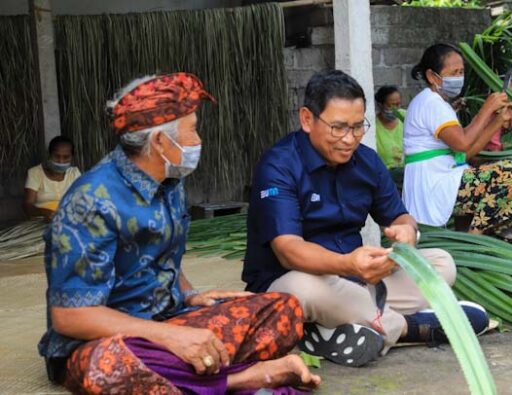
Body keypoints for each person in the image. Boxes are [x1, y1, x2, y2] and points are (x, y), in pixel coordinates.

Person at [39, 73, 320, 395]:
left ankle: (190, 376)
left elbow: (162, 250)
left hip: (170, 318)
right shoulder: (91, 201)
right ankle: (242, 379)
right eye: (192, 130)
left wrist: (190, 295)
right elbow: (70, 317)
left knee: (282, 309)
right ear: (160, 141)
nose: (198, 140)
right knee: (109, 367)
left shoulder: (170, 182)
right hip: (102, 342)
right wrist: (169, 337)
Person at [243, 70, 489, 368]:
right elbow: (288, 250)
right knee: (303, 290)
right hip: (292, 285)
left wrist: (406, 235)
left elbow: (400, 216)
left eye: (358, 127)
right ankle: (412, 327)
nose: (349, 139)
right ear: (307, 119)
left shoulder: (367, 161)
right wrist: (347, 263)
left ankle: (340, 327)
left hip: (358, 282)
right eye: (338, 128)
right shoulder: (279, 165)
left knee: (441, 263)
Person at [402, 43, 512, 243]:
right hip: (433, 182)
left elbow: (465, 153)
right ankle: (472, 245)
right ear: (433, 77)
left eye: (461, 72)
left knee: (484, 174)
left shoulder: (437, 103)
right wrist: (487, 109)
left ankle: (469, 242)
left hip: (441, 177)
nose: (459, 77)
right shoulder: (431, 103)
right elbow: (462, 144)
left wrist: (498, 120)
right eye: (454, 72)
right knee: (507, 172)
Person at [23, 136, 81, 221]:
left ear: (72, 157)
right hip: (41, 222)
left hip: (69, 221)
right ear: (49, 154)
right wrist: (44, 212)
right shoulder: (35, 173)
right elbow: (27, 205)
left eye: (66, 157)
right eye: (56, 156)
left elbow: (84, 199)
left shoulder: (74, 173)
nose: (61, 161)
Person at [375, 85, 405, 169]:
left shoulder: (406, 117)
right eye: (391, 105)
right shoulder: (374, 126)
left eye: (398, 104)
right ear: (380, 105)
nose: (396, 109)